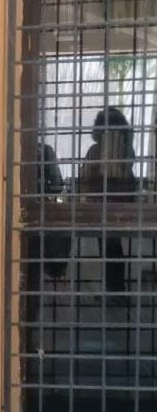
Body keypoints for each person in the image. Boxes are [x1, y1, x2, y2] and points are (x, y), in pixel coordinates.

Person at [79, 107, 137, 295]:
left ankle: (114, 289)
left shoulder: (95, 151)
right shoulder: (128, 150)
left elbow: (85, 176)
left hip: (101, 207)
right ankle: (116, 289)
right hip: (122, 206)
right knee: (114, 248)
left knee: (109, 249)